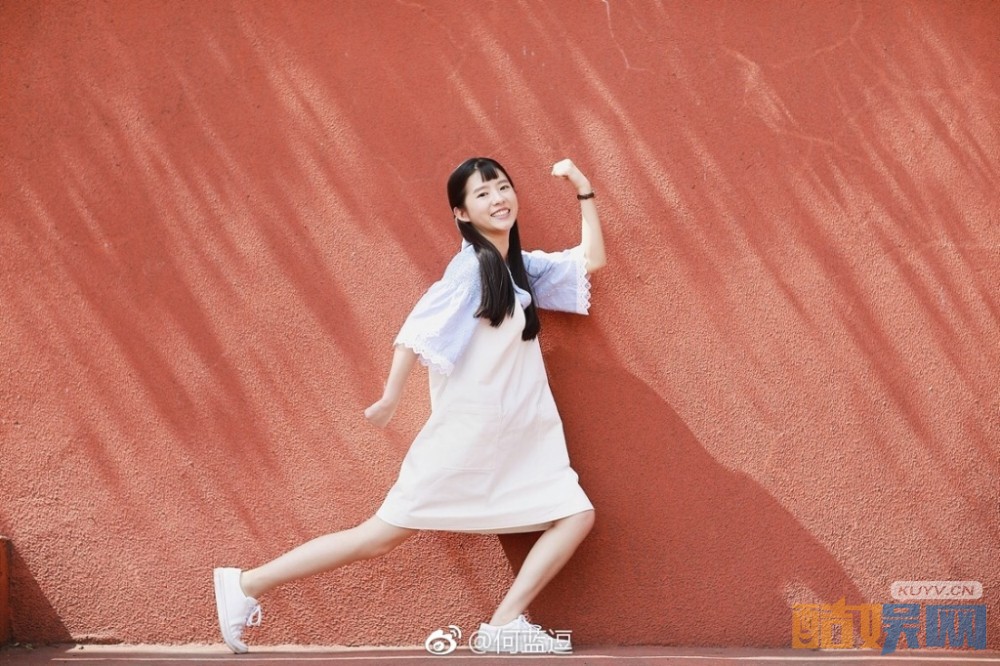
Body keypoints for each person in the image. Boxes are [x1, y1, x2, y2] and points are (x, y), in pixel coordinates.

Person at [213, 156, 607, 655]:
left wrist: (583, 189)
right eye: (482, 193)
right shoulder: (472, 269)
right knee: (377, 537)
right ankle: (246, 584)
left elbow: (590, 261)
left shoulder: (517, 268)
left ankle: (505, 622)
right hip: (468, 439)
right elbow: (418, 330)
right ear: (461, 213)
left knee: (575, 515)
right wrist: (391, 396)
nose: (498, 199)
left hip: (515, 438)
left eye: (503, 187)